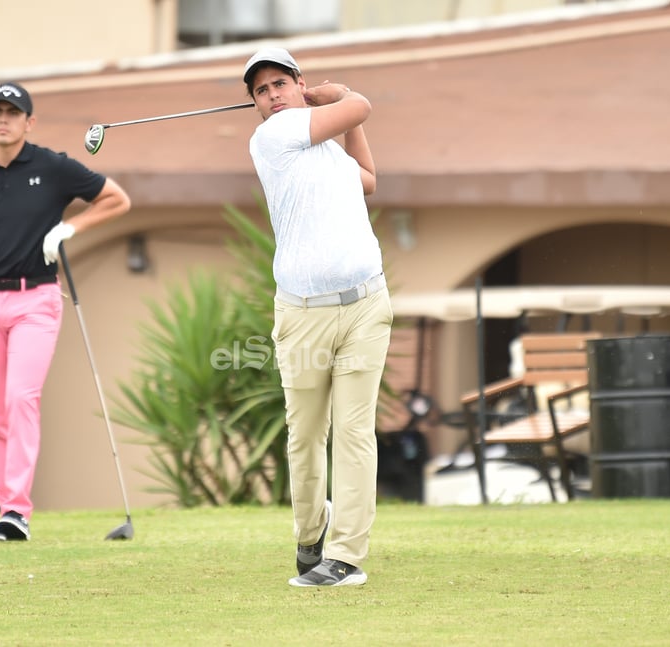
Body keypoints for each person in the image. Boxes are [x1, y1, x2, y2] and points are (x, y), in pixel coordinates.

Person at [0, 82, 131, 541]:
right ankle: (9, 510)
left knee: (21, 398)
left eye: (14, 112)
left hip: (36, 301)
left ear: (30, 122)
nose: (4, 119)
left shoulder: (53, 167)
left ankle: (16, 511)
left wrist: (69, 226)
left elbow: (117, 199)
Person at [243, 48, 393, 586]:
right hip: (302, 314)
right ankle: (311, 534)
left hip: (365, 306)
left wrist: (340, 110)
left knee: (354, 431)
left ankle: (347, 555)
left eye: (281, 83)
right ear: (257, 107)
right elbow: (362, 107)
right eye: (261, 91)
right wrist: (340, 95)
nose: (272, 95)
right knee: (305, 433)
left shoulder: (324, 149)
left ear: (297, 84)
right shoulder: (272, 139)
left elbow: (369, 178)